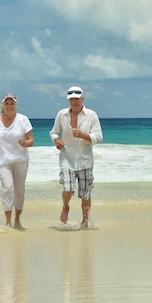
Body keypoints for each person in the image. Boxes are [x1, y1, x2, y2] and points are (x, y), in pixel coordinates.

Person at [49, 86, 103, 229]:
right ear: (68, 100)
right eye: (71, 99)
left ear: (82, 99)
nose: (74, 101)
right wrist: (57, 141)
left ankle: (85, 221)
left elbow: (99, 137)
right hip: (67, 159)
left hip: (85, 160)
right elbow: (54, 132)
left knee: (85, 194)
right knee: (67, 189)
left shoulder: (91, 115)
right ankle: (66, 206)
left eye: (77, 99)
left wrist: (83, 135)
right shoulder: (62, 114)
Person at [0, 93, 34, 230]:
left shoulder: (23, 119)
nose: (9, 106)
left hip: (21, 161)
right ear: (2, 105)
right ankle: (8, 223)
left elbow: (31, 140)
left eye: (12, 104)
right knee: (8, 188)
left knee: (19, 192)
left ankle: (17, 220)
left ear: (16, 106)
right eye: (7, 103)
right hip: (2, 162)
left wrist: (25, 143)